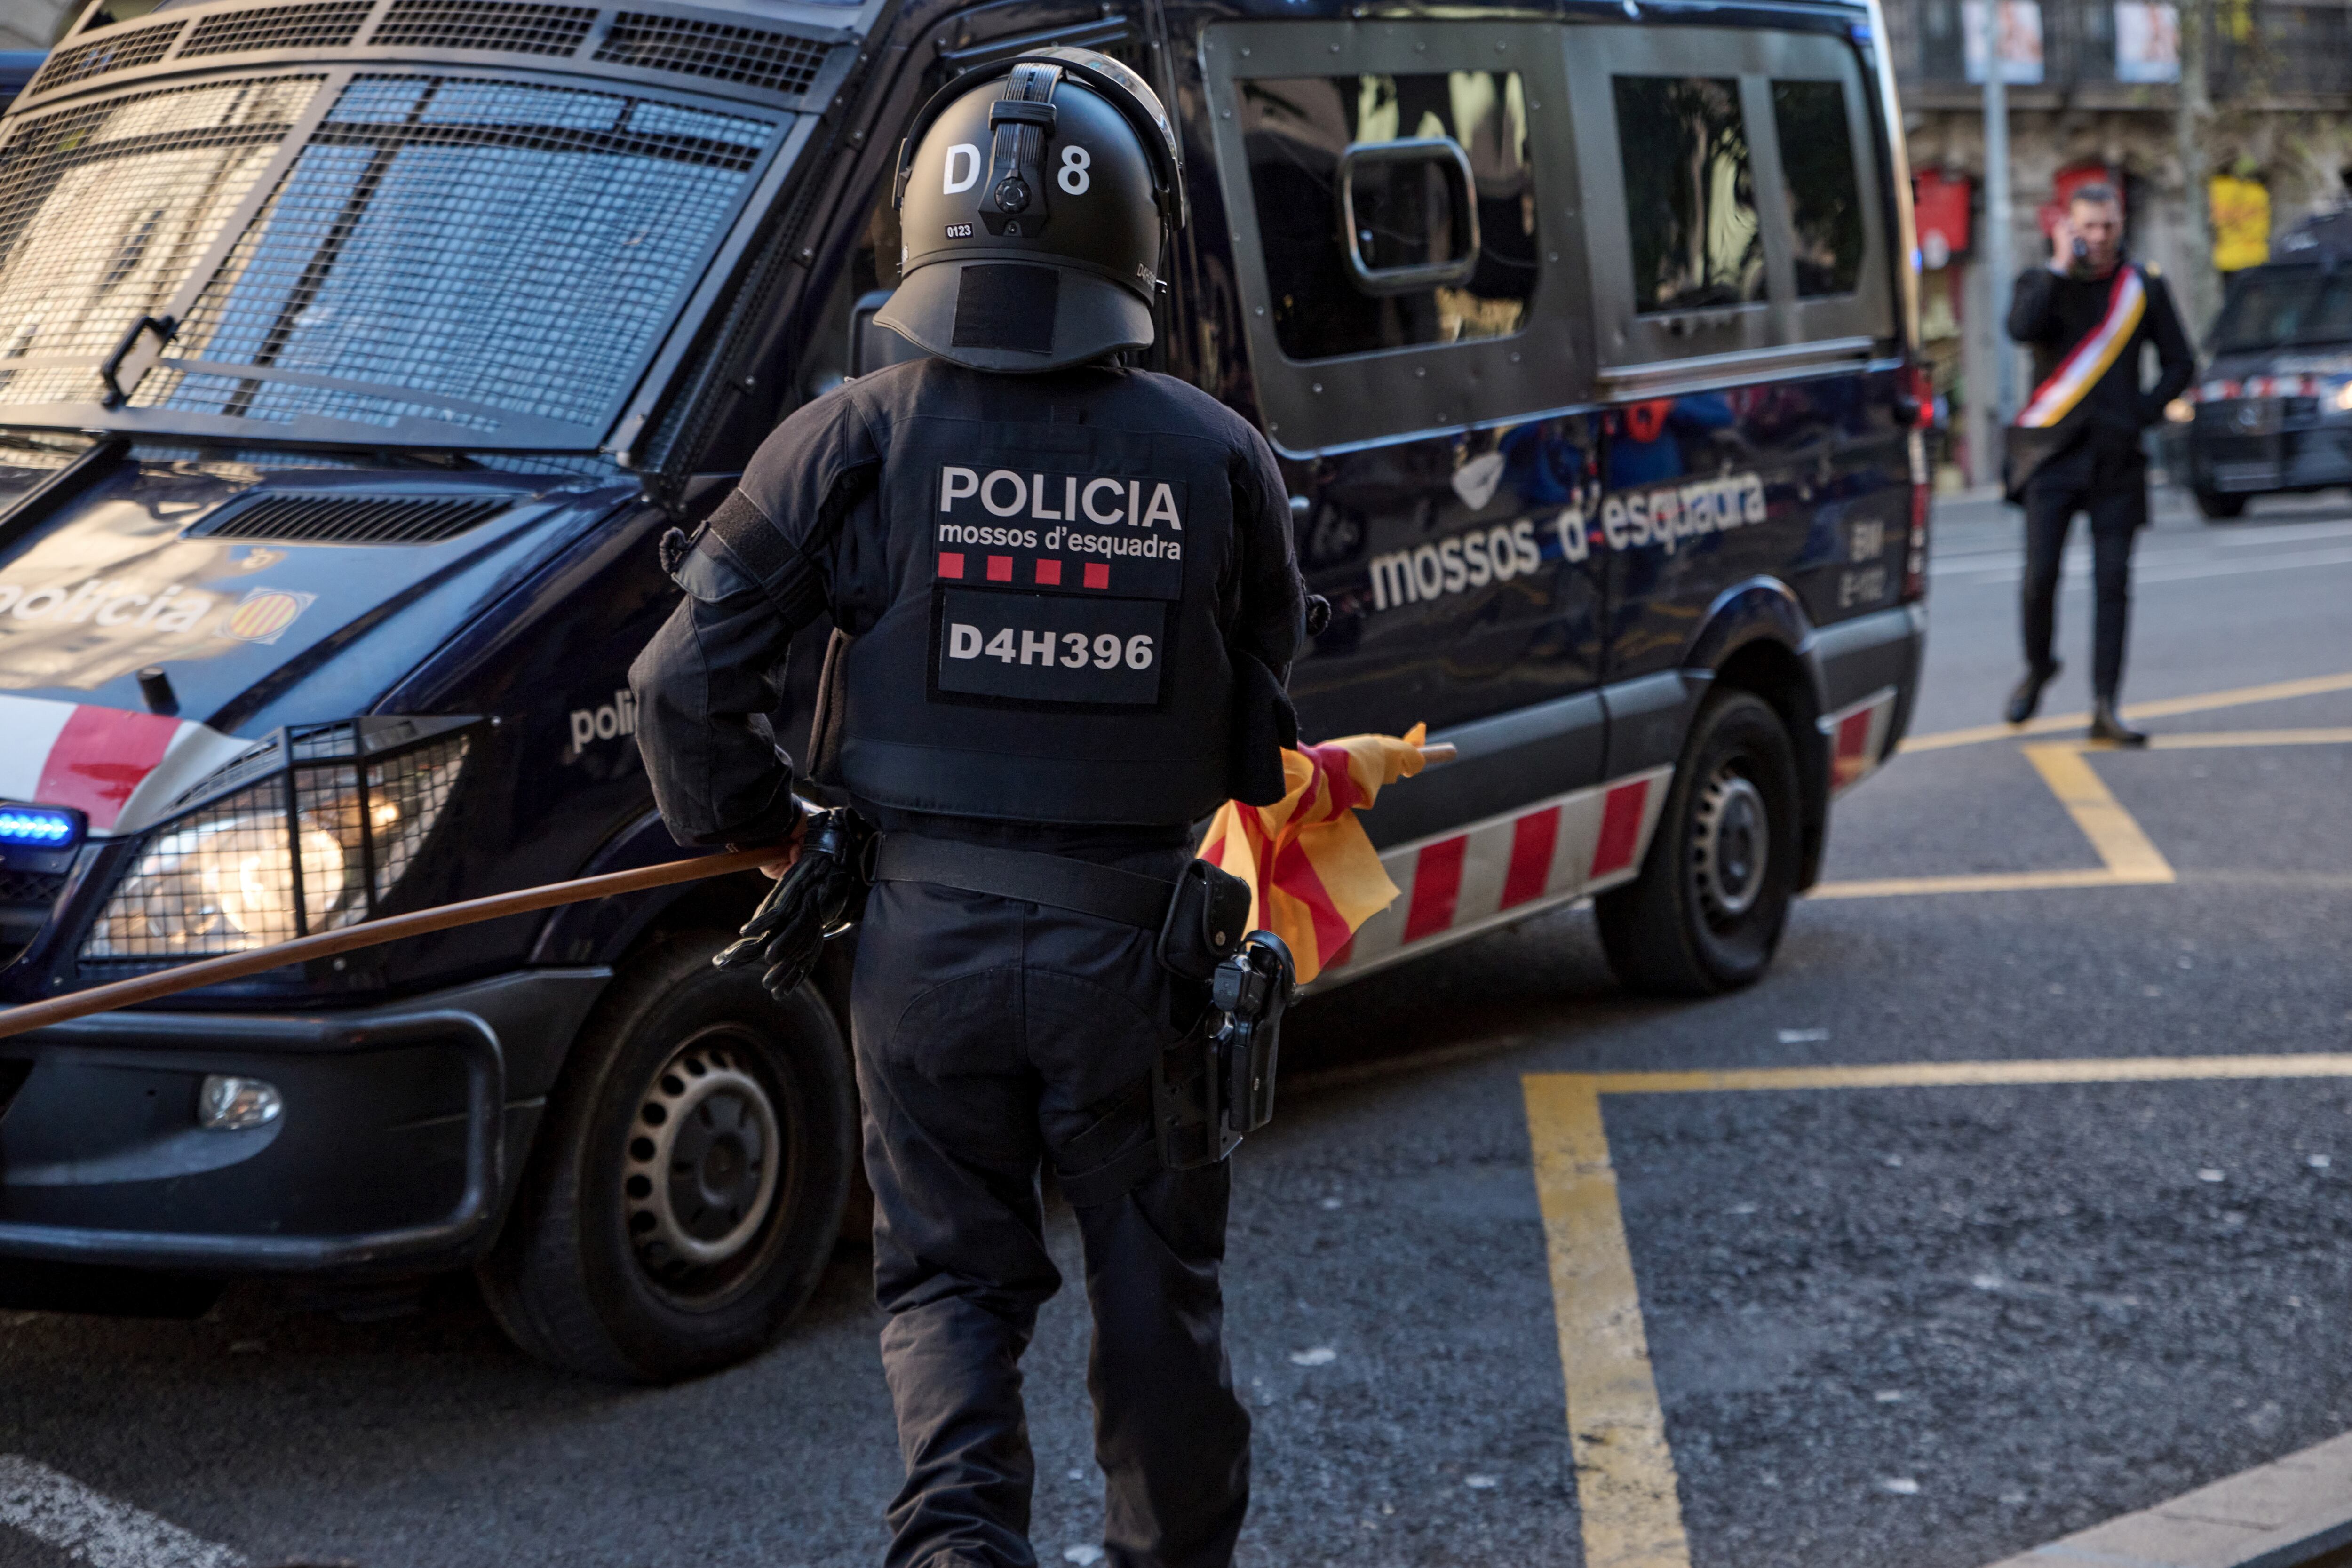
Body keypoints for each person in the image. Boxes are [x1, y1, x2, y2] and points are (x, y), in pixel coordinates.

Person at [628, 49, 1305, 1568]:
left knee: (949, 1287)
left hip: (920, 948)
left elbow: (680, 682)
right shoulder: (1220, 454)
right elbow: (1266, 714)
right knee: (1157, 1296)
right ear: (1131, 240)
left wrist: (767, 826)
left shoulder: (846, 435)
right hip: (1139, 961)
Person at [2003, 182, 2195, 744]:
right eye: (2087, 226)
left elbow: (2179, 362)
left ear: (2120, 224)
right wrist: (2058, 269)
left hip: (2116, 457)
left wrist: (2141, 413)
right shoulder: (2040, 281)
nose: (2100, 236)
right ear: (2068, 228)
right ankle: (2039, 667)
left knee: (2112, 584)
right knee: (2039, 578)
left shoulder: (2141, 286)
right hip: (2050, 456)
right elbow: (2019, 329)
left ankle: (2105, 706)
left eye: (2108, 225)